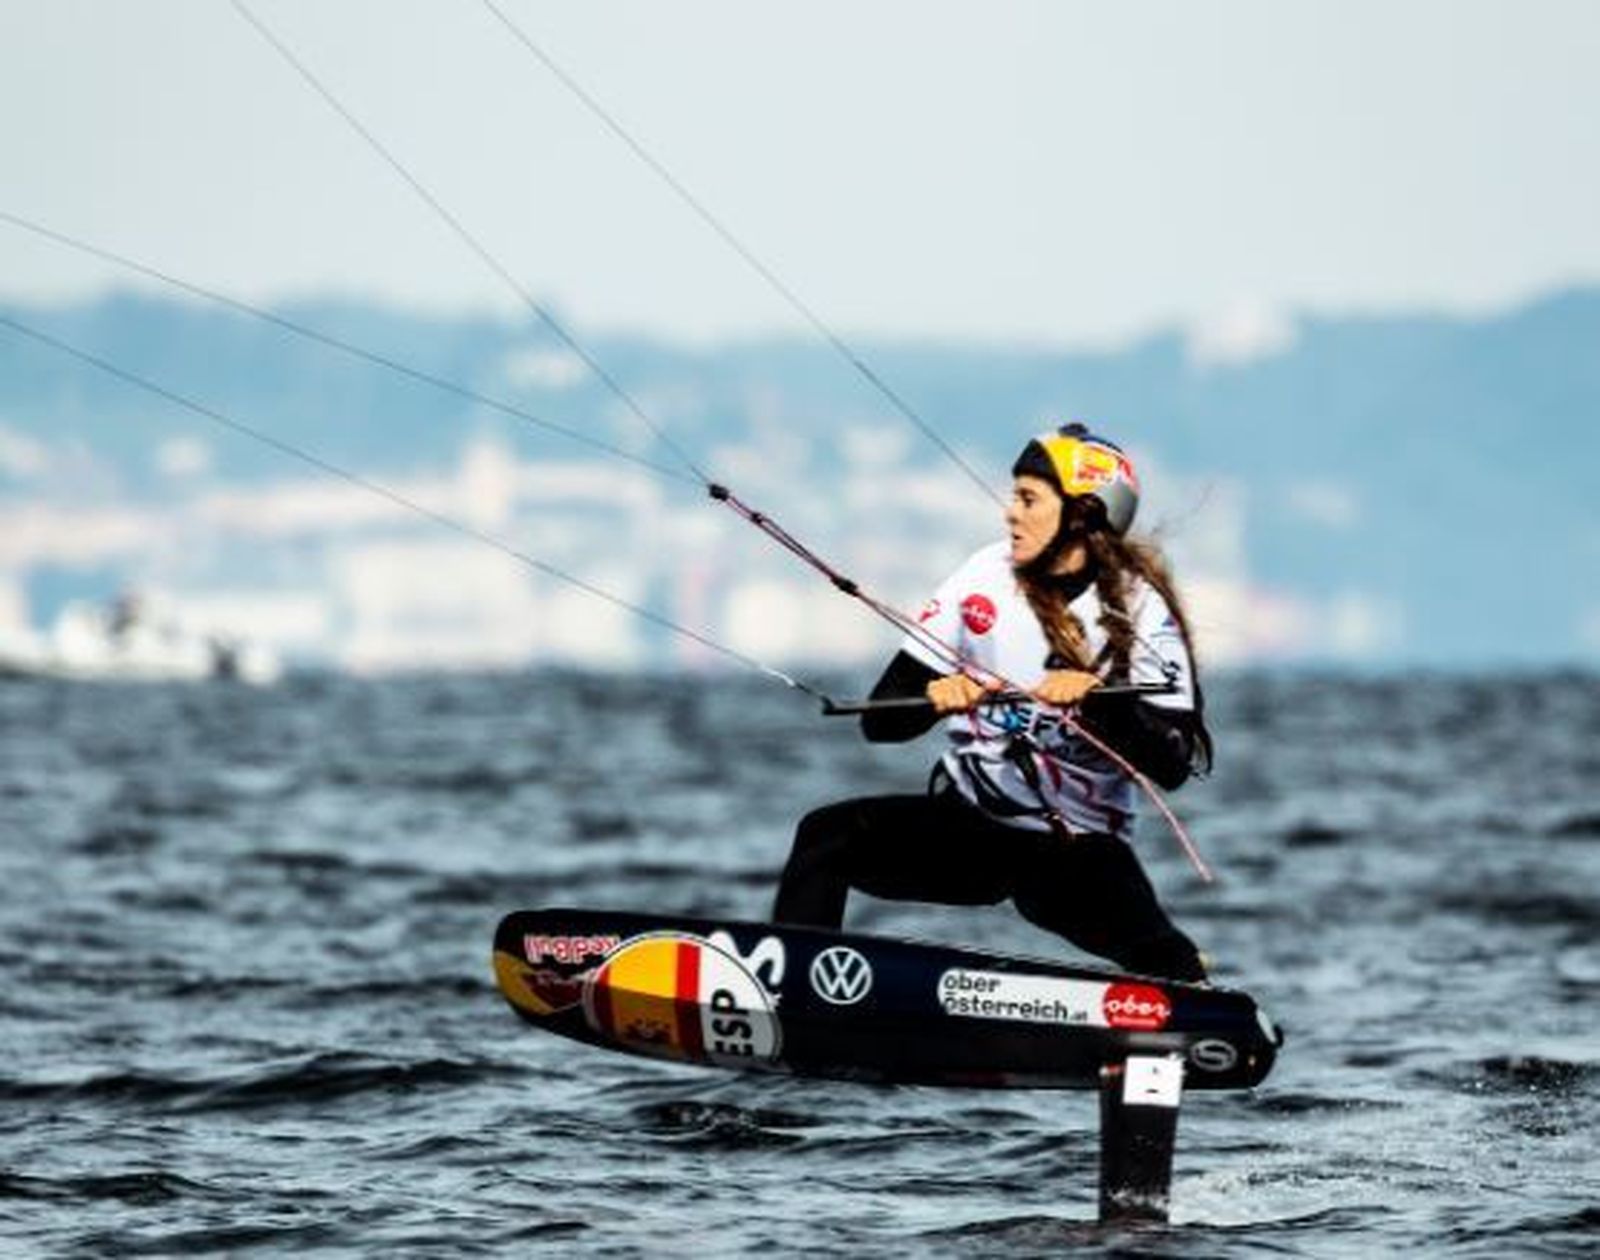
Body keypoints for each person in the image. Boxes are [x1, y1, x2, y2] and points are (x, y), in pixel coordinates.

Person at [772, 422, 1214, 982]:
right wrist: (932, 700)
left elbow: (1171, 765)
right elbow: (880, 723)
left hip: (1073, 850)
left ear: (1081, 515)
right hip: (969, 830)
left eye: (1029, 499)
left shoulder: (1143, 611)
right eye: (1013, 495)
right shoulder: (981, 576)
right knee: (826, 838)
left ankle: (1195, 1011)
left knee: (1169, 966)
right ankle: (792, 992)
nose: (1010, 513)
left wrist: (1101, 703)